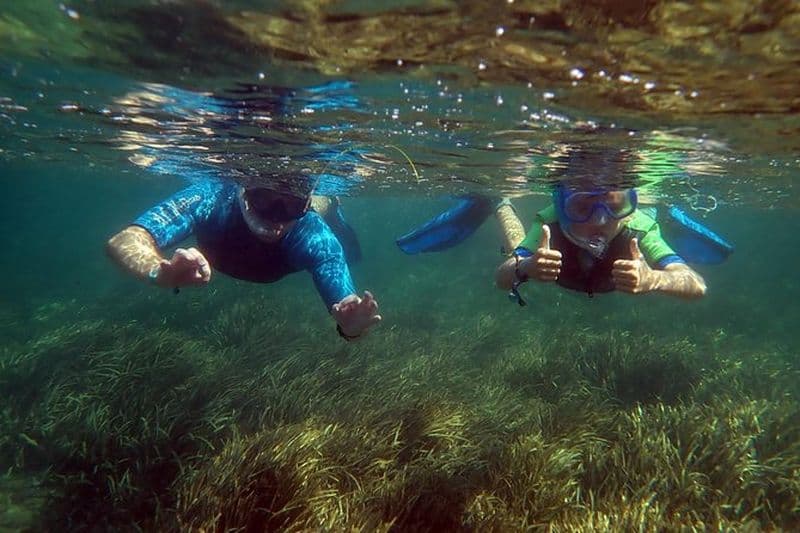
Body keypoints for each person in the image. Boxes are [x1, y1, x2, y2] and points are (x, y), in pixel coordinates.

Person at [107, 177, 381, 340]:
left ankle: (328, 201)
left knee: (324, 209)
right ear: (242, 189)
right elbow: (125, 239)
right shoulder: (211, 196)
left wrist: (351, 328)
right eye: (264, 199)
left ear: (304, 205)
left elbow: (346, 305)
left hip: (315, 214)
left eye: (292, 205)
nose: (275, 217)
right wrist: (158, 271)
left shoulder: (313, 234)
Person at [495, 180, 707, 302]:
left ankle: (659, 209)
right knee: (516, 253)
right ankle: (502, 205)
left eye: (615, 208)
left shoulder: (639, 227)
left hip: (639, 224)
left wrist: (653, 279)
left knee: (648, 217)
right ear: (562, 208)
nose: (600, 221)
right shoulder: (549, 223)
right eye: (582, 208)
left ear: (627, 209)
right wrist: (526, 266)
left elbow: (697, 285)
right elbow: (501, 279)